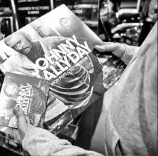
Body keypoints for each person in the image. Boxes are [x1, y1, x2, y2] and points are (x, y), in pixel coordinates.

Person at [10, 22, 157, 156]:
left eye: (18, 42)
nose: (18, 47)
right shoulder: (21, 63)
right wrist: (135, 55)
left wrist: (38, 143)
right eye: (14, 46)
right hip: (80, 108)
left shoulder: (54, 41)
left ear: (28, 36)